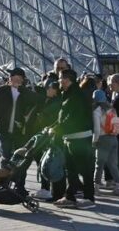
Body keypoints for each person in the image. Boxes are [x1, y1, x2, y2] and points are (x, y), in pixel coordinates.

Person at [0, 67, 37, 193]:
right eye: (14, 78)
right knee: (5, 158)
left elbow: (37, 100)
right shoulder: (3, 90)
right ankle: (4, 184)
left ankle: (19, 185)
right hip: (4, 130)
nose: (16, 81)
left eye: (19, 78)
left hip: (20, 131)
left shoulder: (25, 92)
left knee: (20, 160)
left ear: (23, 80)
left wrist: (21, 89)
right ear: (10, 79)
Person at [50, 69, 95, 209]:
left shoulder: (76, 95)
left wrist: (57, 128)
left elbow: (73, 118)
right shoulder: (69, 93)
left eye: (60, 79)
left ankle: (89, 198)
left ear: (66, 79)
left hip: (79, 138)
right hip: (71, 137)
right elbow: (64, 117)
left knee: (84, 169)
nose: (59, 82)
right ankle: (70, 196)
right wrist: (54, 126)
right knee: (71, 169)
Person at [29, 77, 63, 201]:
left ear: (55, 90)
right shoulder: (55, 100)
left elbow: (43, 116)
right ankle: (48, 189)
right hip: (50, 135)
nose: (47, 90)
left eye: (49, 88)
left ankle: (46, 189)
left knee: (45, 162)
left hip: (48, 136)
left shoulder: (54, 103)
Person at [92, 89, 119, 195]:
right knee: (113, 164)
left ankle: (96, 186)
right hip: (114, 138)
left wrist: (94, 140)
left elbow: (96, 128)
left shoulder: (97, 110)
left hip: (103, 138)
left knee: (99, 164)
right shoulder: (112, 109)